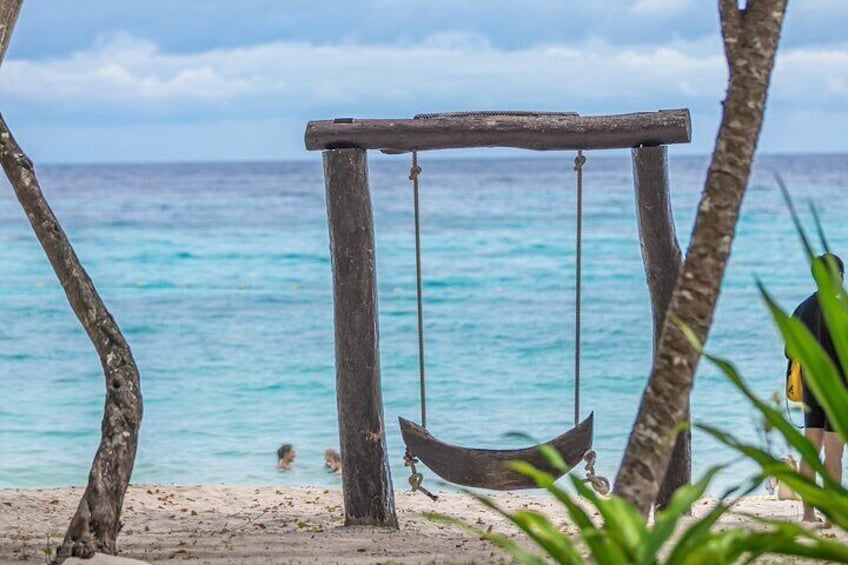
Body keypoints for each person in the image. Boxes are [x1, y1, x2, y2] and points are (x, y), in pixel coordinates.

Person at [787, 253, 846, 523]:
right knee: (834, 453)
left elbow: (790, 350)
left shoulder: (803, 308)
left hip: (812, 391)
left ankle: (808, 514)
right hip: (839, 393)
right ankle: (832, 515)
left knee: (810, 450)